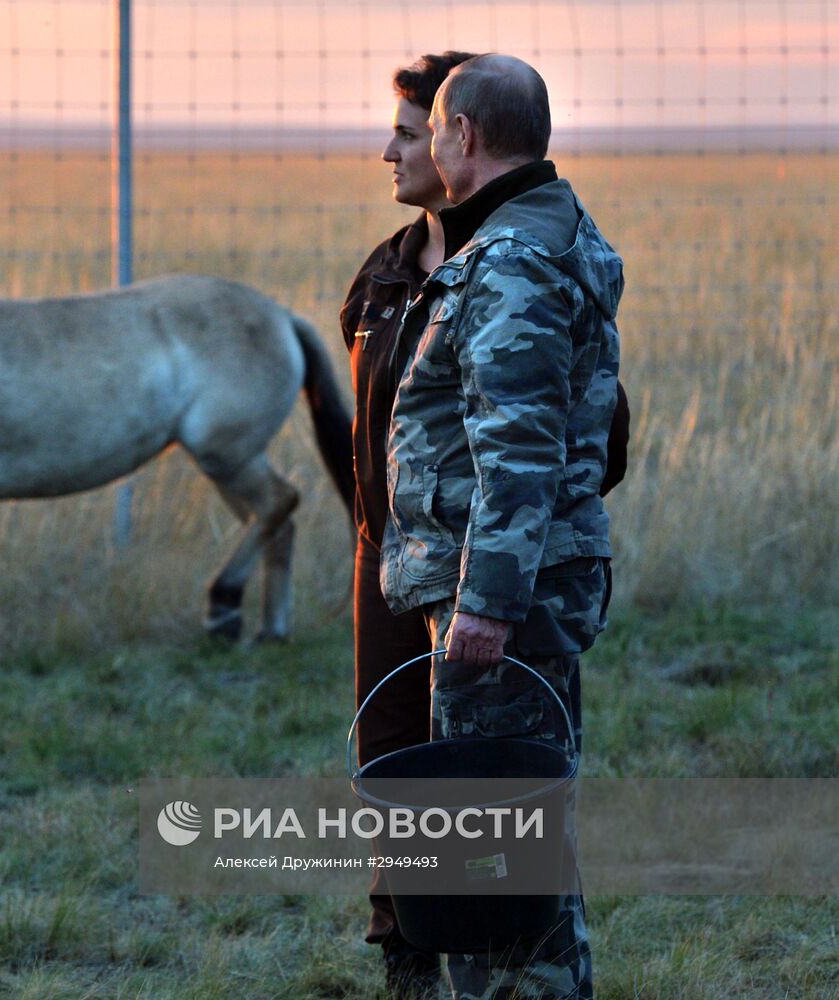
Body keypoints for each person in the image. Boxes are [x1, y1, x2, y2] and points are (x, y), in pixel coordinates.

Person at [343, 53, 630, 998]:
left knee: (487, 869)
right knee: (520, 851)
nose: (417, 146)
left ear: (462, 136)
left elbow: (518, 454)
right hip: (498, 588)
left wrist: (486, 607)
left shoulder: (507, 264)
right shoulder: (541, 235)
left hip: (493, 603)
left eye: (429, 131)